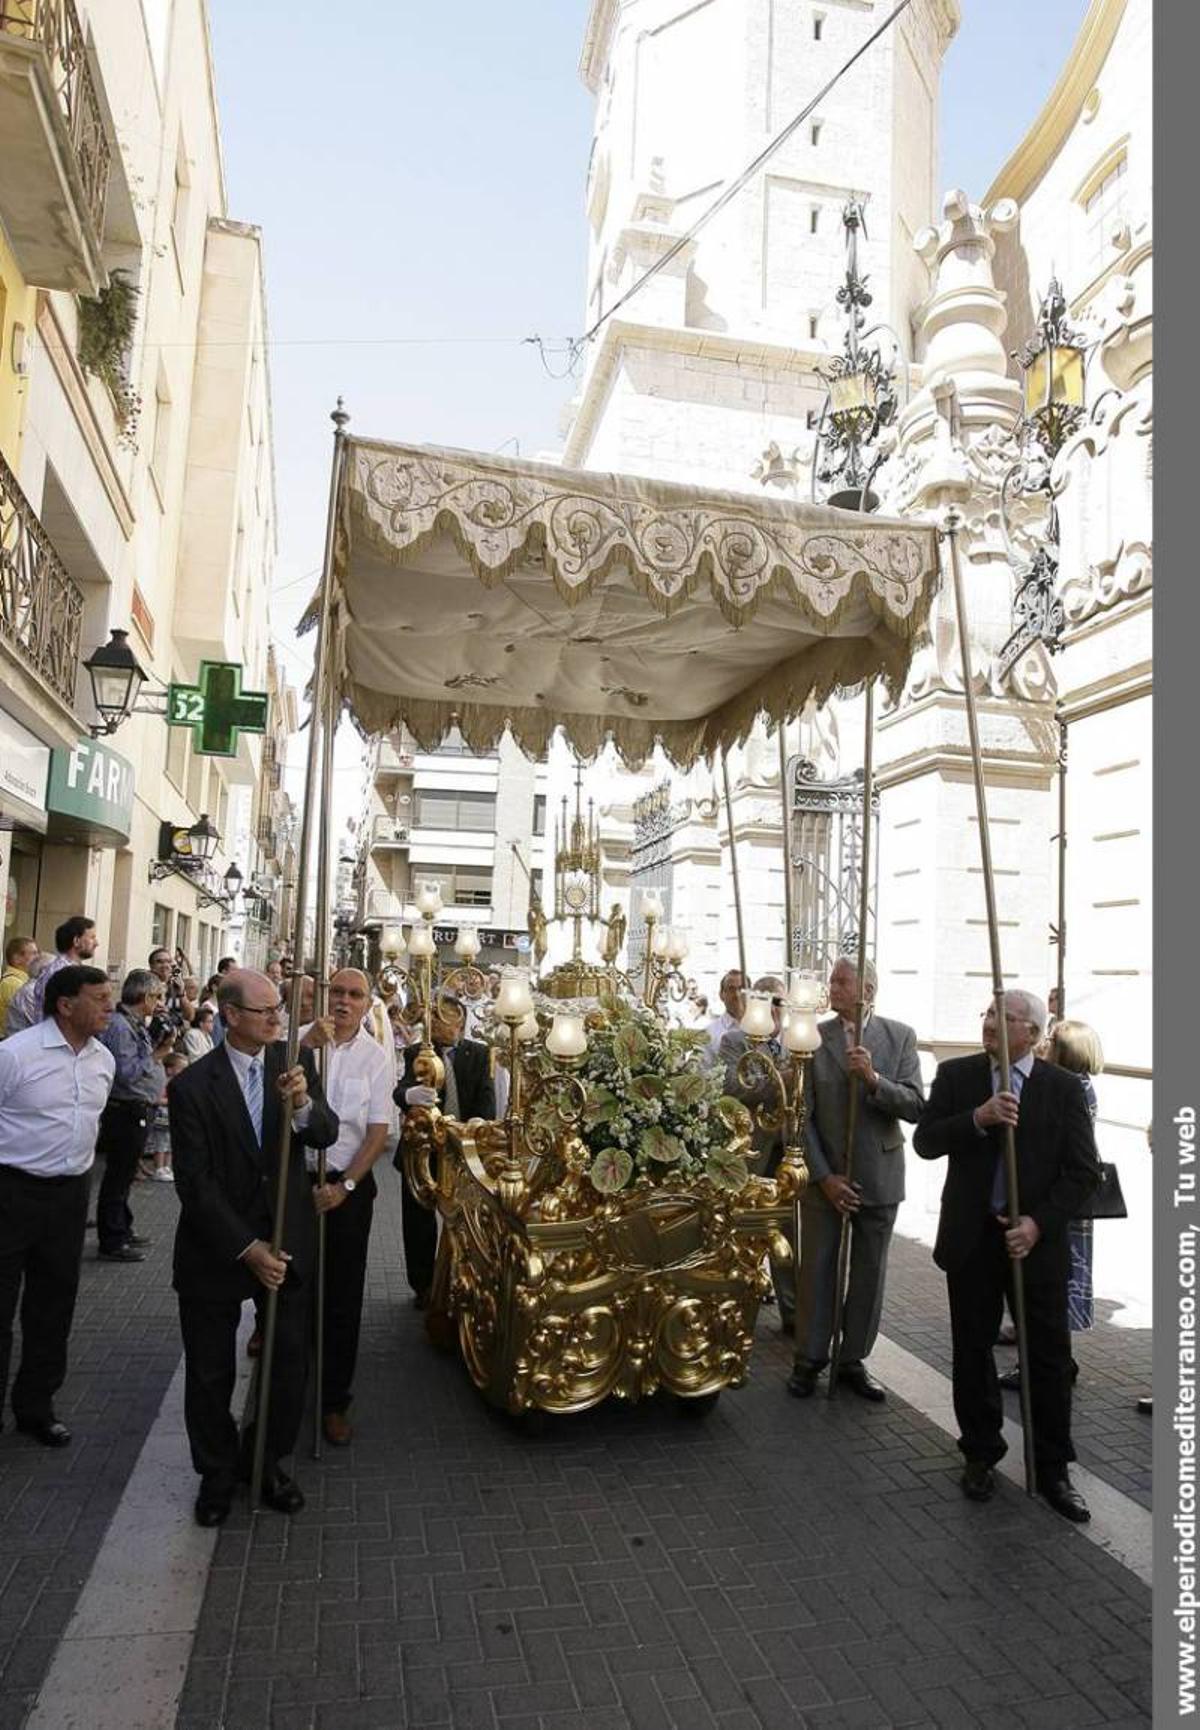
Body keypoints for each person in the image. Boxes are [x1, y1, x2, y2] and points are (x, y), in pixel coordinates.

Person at [913, 989, 1100, 1522]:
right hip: (972, 1238)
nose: (992, 1023)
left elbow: (1083, 1172)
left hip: (1034, 1246)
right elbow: (926, 1141)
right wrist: (977, 1117)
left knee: (1047, 1358)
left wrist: (1038, 1223)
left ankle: (1053, 1466)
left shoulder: (1062, 1089)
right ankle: (979, 1452)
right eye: (989, 1013)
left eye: (1007, 1017)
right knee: (972, 1350)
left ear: (1034, 1034)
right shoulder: (959, 1077)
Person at [168, 968, 338, 1527]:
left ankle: (265, 1462)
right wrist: (247, 1247)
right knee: (211, 1371)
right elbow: (196, 1183)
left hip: (287, 1235)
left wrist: (305, 1105)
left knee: (289, 1358)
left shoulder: (293, 1066)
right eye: (264, 1011)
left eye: (279, 1009)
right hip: (220, 1247)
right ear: (232, 1015)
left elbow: (325, 1134)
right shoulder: (194, 1087)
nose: (276, 1018)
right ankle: (216, 1474)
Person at [788, 956, 924, 1401]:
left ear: (868, 989)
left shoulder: (898, 1036)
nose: (834, 986)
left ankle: (853, 1359)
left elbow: (915, 1106)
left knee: (868, 1272)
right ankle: (809, 1357)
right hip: (827, 1176)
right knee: (818, 1270)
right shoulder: (812, 1037)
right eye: (832, 980)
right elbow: (799, 1116)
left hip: (878, 1174)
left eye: (842, 980)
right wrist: (823, 1177)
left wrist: (874, 1080)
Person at [0, 966, 115, 1446]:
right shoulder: (15, 1055)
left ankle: (37, 1405)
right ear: (65, 1005)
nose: (109, 1006)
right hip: (11, 1191)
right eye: (99, 998)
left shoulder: (103, 1060)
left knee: (54, 1304)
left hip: (69, 1195)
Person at [301, 969, 394, 1445]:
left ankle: (334, 1400)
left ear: (366, 1004)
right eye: (336, 992)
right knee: (295, 1290)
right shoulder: (300, 1042)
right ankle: (290, 1388)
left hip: (348, 1189)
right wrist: (302, 1049)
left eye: (354, 995)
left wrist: (346, 1187)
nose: (343, 1001)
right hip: (298, 1187)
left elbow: (377, 1133)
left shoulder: (376, 1060)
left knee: (341, 1299)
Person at [999, 1018, 1106, 1391]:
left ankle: (1050, 1363)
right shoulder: (1074, 1084)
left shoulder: (1069, 1087)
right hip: (1067, 1203)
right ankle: (1048, 1357)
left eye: (1050, 1040)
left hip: (1062, 1202)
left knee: (1055, 1283)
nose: (1044, 1044)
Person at [394, 993, 495, 1307]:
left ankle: (457, 1282)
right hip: (421, 1151)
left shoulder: (479, 1055)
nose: (435, 1024)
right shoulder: (418, 1053)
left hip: (462, 1152)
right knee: (418, 1221)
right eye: (433, 1017)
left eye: (443, 1017)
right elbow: (400, 1091)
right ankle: (423, 1286)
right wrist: (412, 1094)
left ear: (460, 1021)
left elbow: (486, 1101)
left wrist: (472, 1134)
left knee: (462, 1221)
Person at [94, 969, 174, 1260]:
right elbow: (125, 1073)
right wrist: (157, 1055)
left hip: (138, 1107)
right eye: (156, 996)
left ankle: (122, 1228)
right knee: (119, 1175)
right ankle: (112, 1239)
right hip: (126, 1109)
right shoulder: (120, 1027)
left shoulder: (134, 1023)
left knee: (126, 1174)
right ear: (145, 996)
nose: (159, 1002)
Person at [6, 916, 99, 1035]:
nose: (96, 943)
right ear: (76, 941)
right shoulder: (59, 973)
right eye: (92, 937)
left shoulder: (68, 970)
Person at [705, 969, 746, 1066]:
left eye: (741, 989)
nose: (737, 994)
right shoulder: (709, 1033)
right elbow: (704, 1071)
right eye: (731, 989)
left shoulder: (762, 1030)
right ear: (721, 995)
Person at [0, 936, 37, 1035]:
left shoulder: (24, 981)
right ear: (17, 958)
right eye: (33, 953)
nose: (38, 958)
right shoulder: (13, 983)